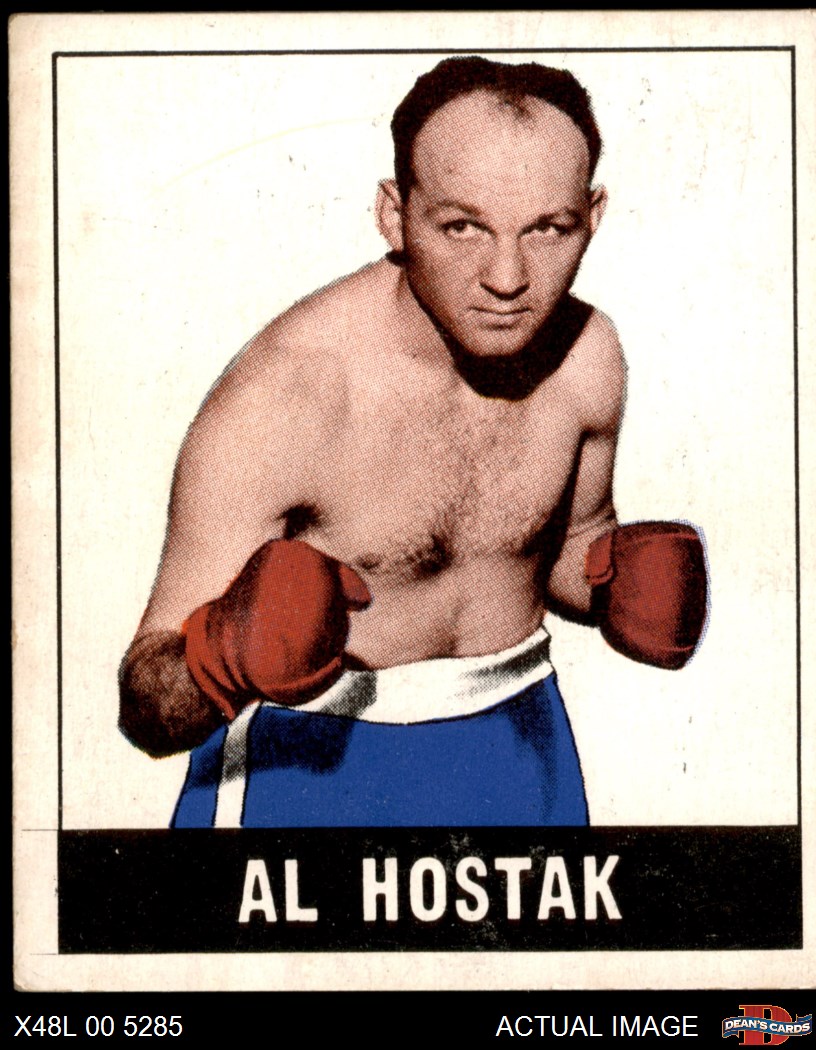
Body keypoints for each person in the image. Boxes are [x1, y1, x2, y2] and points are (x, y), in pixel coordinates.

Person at [119, 56, 707, 828]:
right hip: (305, 763)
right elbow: (144, 706)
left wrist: (613, 585)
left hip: (518, 739)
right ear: (394, 215)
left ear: (591, 216)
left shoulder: (588, 357)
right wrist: (220, 658)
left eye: (547, 229)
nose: (507, 277)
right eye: (462, 227)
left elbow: (564, 548)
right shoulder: (289, 396)